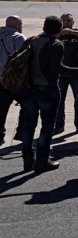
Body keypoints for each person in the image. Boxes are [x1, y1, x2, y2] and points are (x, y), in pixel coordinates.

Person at [17, 16, 64, 172]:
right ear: (59, 29)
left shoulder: (31, 40)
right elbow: (56, 70)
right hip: (47, 89)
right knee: (47, 127)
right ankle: (42, 160)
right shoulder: (56, 44)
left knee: (28, 126)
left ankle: (27, 160)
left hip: (29, 89)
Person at [54, 13, 78, 135]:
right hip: (62, 73)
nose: (66, 22)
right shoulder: (56, 34)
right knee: (59, 101)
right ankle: (59, 125)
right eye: (63, 20)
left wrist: (72, 32)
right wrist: (60, 33)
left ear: (73, 22)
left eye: (69, 20)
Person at [0, 15, 27, 146]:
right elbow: (24, 59)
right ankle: (21, 132)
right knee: (27, 104)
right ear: (17, 25)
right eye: (21, 24)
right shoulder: (18, 37)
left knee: (1, 109)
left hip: (0, 80)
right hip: (14, 80)